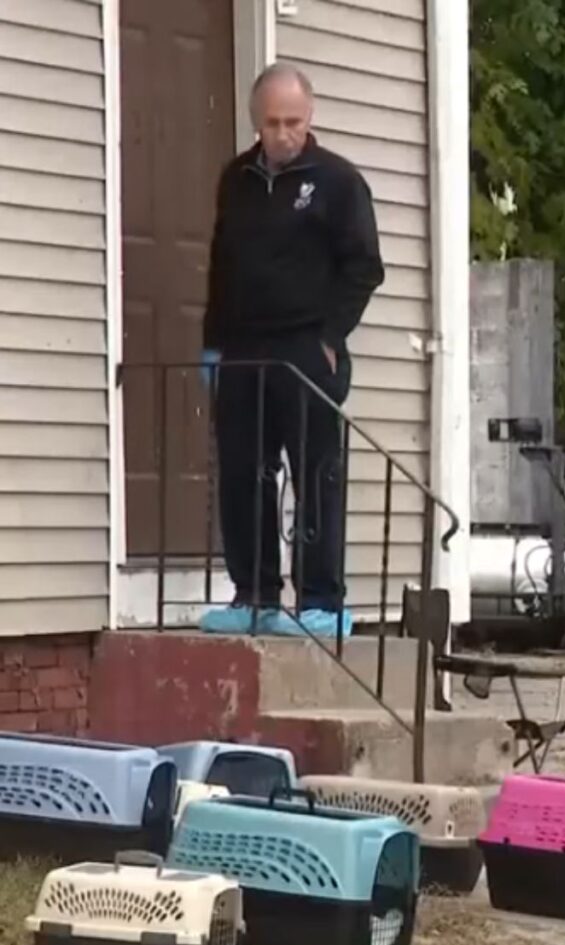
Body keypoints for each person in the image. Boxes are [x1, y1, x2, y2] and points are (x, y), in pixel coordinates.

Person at [199, 63, 385, 637]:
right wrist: (213, 347)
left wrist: (331, 336)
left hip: (308, 347)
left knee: (316, 473)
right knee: (243, 473)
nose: (283, 135)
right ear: (256, 121)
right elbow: (221, 268)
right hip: (244, 348)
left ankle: (321, 600)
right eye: (273, 123)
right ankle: (253, 593)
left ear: (311, 118)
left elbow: (365, 267)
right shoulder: (236, 180)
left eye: (294, 123)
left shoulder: (337, 181)